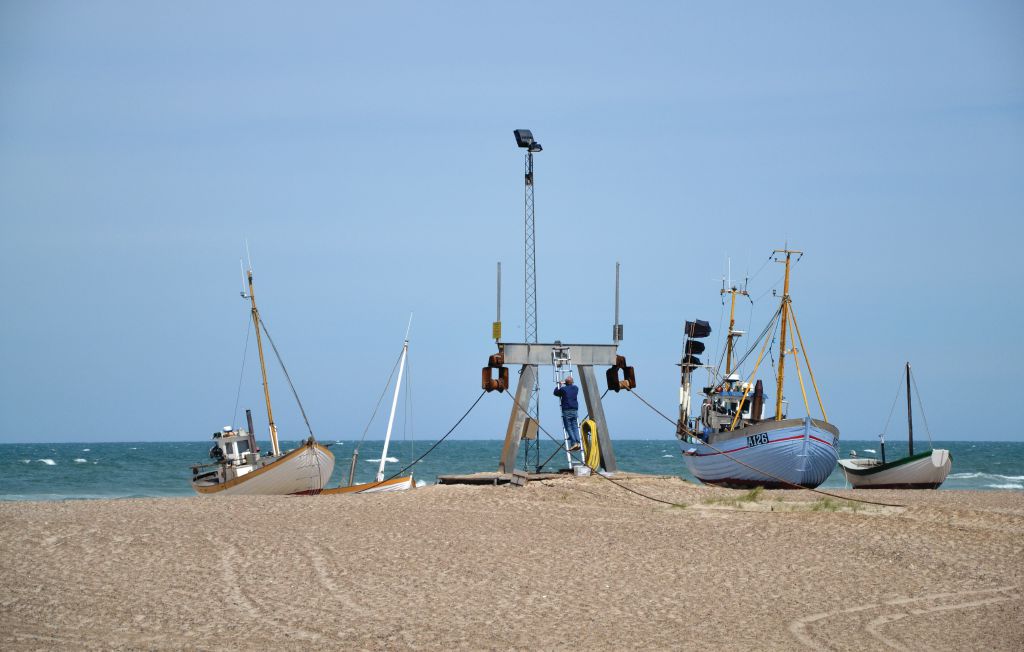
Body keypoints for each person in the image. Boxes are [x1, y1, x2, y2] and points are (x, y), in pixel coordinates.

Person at [554, 376, 581, 451]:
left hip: (567, 410)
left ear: (566, 383)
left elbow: (555, 393)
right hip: (574, 410)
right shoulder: (576, 388)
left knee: (568, 427)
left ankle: (574, 443)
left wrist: (559, 385)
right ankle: (578, 443)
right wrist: (566, 383)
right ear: (572, 382)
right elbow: (571, 385)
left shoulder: (563, 389)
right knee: (575, 427)